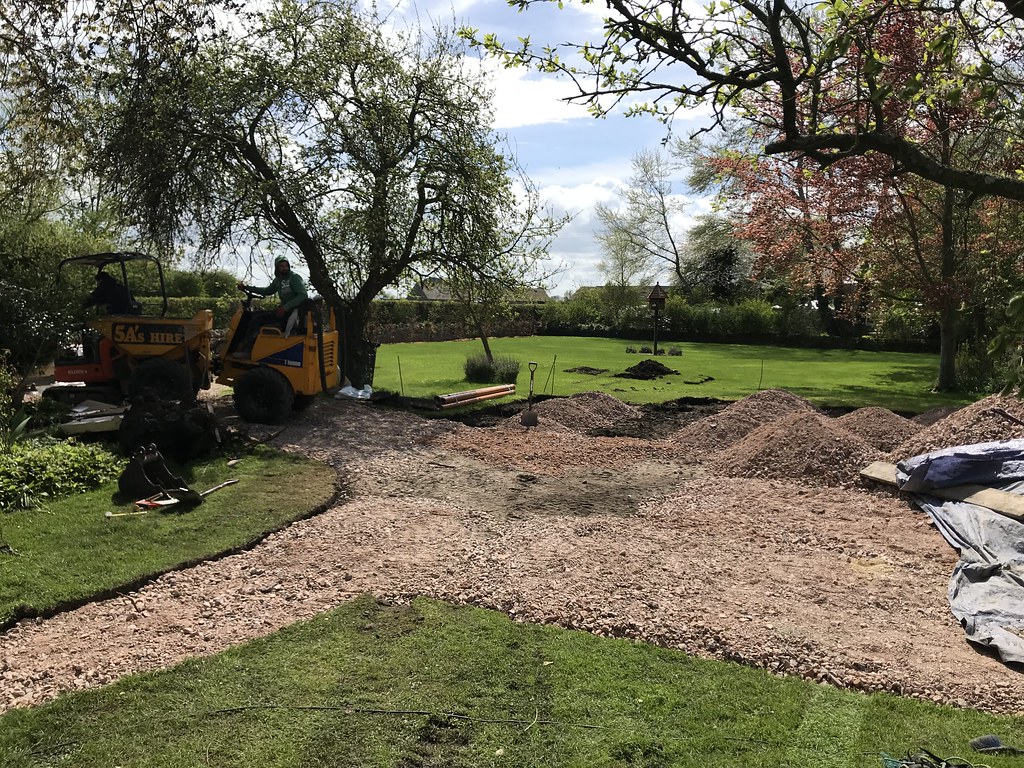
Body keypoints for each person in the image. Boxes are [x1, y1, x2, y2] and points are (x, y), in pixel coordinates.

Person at [233, 257, 309, 357]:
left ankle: (248, 350)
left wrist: (285, 307)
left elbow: (303, 295)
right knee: (256, 315)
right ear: (277, 268)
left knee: (258, 319)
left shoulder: (294, 278)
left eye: (286, 266)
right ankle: (246, 344)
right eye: (281, 266)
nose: (285, 268)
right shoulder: (278, 280)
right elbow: (266, 291)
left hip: (292, 313)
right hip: (283, 311)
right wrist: (247, 287)